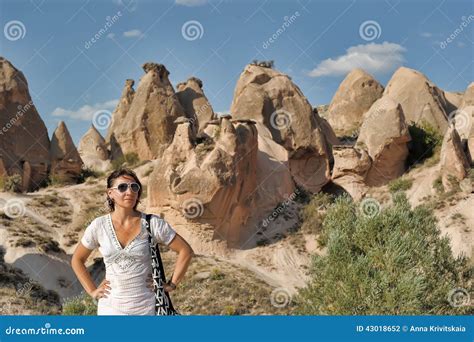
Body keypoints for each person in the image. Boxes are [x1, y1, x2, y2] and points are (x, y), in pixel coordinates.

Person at [71, 168, 194, 315]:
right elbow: (77, 259)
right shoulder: (99, 225)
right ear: (110, 193)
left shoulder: (153, 223)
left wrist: (172, 285)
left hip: (147, 309)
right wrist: (92, 291)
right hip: (110, 310)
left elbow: (185, 251)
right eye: (122, 187)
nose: (129, 192)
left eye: (134, 187)